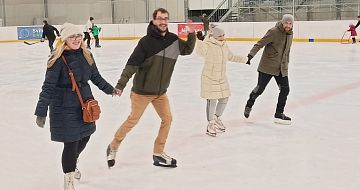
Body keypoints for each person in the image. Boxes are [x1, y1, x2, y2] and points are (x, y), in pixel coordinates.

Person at [34, 23, 121, 190]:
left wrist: (111, 90)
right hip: (64, 106)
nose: (76, 39)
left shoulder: (86, 55)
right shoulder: (57, 59)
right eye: (72, 36)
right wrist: (41, 111)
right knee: (71, 143)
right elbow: (48, 87)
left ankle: (73, 162)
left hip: (84, 103)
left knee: (86, 136)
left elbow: (96, 77)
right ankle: (68, 180)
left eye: (78, 36)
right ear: (64, 39)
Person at [106, 8, 196, 168]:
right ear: (154, 21)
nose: (163, 22)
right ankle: (113, 146)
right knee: (133, 120)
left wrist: (192, 34)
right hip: (142, 92)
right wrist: (121, 85)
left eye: (165, 19)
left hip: (160, 92)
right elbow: (131, 65)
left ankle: (158, 153)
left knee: (167, 119)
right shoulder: (145, 42)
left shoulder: (173, 40)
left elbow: (187, 50)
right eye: (160, 19)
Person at [196, 27, 248, 137]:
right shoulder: (208, 44)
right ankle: (210, 124)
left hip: (221, 77)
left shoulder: (224, 45)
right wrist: (199, 41)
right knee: (212, 100)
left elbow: (231, 56)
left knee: (225, 98)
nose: (222, 37)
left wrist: (245, 59)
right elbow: (200, 52)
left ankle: (216, 117)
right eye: (220, 36)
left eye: (223, 35)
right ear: (214, 36)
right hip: (209, 77)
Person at [243, 14, 294, 125]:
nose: (288, 25)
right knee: (260, 89)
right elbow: (259, 44)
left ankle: (279, 114)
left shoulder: (290, 34)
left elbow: (287, 51)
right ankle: (250, 103)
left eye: (290, 23)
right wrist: (250, 56)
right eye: (286, 23)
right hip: (267, 67)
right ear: (282, 22)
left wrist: (286, 65)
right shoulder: (273, 31)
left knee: (285, 90)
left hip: (281, 68)